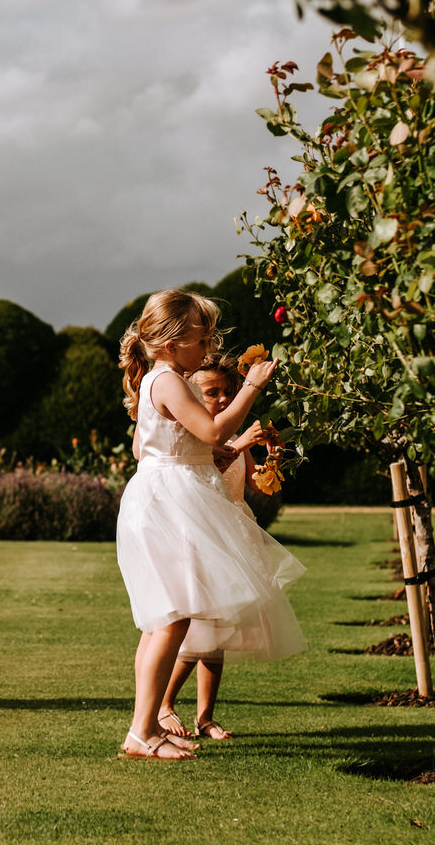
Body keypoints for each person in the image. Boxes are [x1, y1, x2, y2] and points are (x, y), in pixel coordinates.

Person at [115, 290, 306, 759]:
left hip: (163, 498)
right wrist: (253, 387)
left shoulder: (160, 381)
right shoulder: (170, 382)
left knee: (165, 619)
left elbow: (151, 449)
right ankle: (142, 733)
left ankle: (146, 728)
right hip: (171, 505)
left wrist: (202, 455)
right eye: (200, 342)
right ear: (171, 341)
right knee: (172, 618)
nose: (207, 351)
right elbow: (214, 430)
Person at [157, 357, 277, 741]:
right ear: (192, 394)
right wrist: (239, 443)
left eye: (228, 392)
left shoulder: (234, 439)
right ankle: (162, 704)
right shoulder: (194, 440)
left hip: (235, 539)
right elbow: (207, 477)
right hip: (204, 539)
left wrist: (271, 455)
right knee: (197, 630)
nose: (223, 399)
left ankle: (205, 716)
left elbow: (258, 485)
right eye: (213, 393)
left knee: (220, 633)